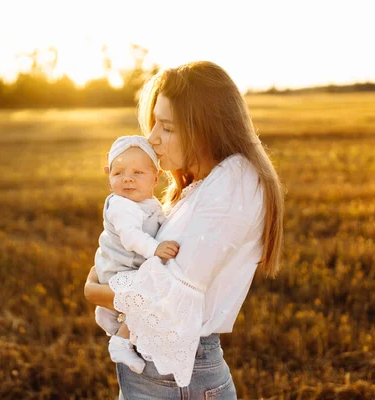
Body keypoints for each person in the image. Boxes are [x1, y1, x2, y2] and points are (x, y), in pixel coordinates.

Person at [84, 61, 284, 398]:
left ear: (205, 128)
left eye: (167, 127)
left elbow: (171, 295)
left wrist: (95, 292)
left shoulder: (234, 182)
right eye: (154, 124)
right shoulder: (203, 185)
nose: (152, 138)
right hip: (157, 372)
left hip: (177, 380)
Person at [94, 135, 181, 375]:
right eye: (118, 173)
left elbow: (158, 223)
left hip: (124, 268)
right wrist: (155, 249)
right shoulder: (122, 205)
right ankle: (120, 343)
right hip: (120, 270)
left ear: (156, 177)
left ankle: (108, 315)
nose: (128, 179)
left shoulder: (147, 203)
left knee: (144, 295)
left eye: (138, 173)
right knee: (149, 293)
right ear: (107, 174)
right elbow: (131, 236)